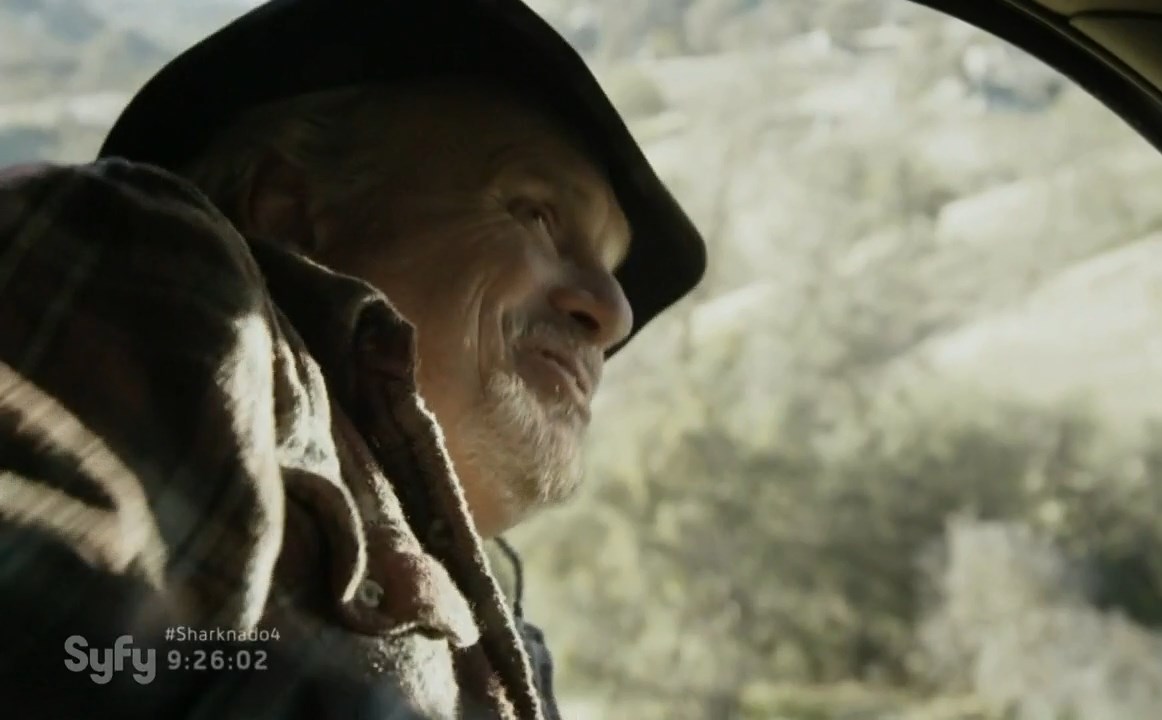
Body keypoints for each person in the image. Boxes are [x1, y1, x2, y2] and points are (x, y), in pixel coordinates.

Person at [0, 0, 705, 718]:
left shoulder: (507, 644)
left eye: (609, 266)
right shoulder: (151, 273)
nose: (614, 313)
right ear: (287, 212)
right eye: (538, 214)